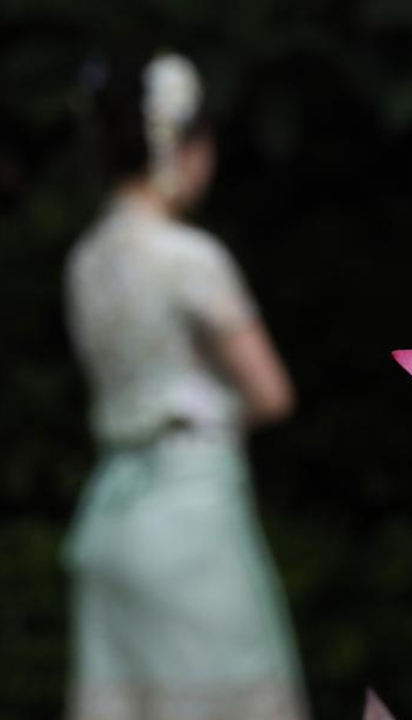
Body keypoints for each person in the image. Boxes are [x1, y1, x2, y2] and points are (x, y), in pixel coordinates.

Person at [63, 52, 308, 719]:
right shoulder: (188, 257)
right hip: (189, 513)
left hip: (109, 516)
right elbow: (271, 394)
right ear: (183, 148)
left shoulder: (85, 261)